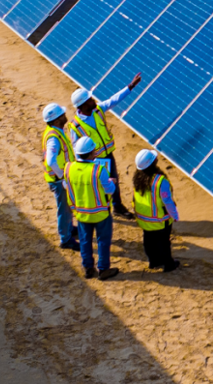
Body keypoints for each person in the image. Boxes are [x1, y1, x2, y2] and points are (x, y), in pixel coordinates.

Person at [68, 73, 143, 220]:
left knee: (113, 181)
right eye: (89, 99)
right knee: (98, 185)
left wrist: (130, 86)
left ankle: (117, 207)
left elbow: (113, 100)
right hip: (93, 161)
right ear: (83, 105)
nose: (93, 99)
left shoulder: (97, 110)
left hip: (108, 156)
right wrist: (84, 165)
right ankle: (101, 210)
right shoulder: (75, 126)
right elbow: (76, 149)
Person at [64, 136, 119, 280]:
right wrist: (111, 182)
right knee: (103, 241)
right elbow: (110, 190)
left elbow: (67, 185)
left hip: (81, 213)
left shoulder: (69, 168)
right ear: (91, 153)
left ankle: (88, 268)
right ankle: (103, 269)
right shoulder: (99, 170)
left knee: (85, 241)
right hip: (100, 213)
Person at [132, 149, 180, 272]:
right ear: (153, 163)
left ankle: (153, 262)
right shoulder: (160, 181)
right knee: (164, 243)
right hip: (160, 220)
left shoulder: (137, 178)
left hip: (144, 219)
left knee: (149, 241)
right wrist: (174, 215)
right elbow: (167, 201)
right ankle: (168, 264)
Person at [42, 103, 78, 251]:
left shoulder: (54, 131)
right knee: (64, 209)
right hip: (59, 181)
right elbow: (51, 160)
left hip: (60, 179)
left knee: (67, 207)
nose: (65, 116)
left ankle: (69, 228)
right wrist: (62, 177)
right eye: (62, 115)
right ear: (56, 121)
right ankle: (65, 239)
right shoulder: (53, 138)